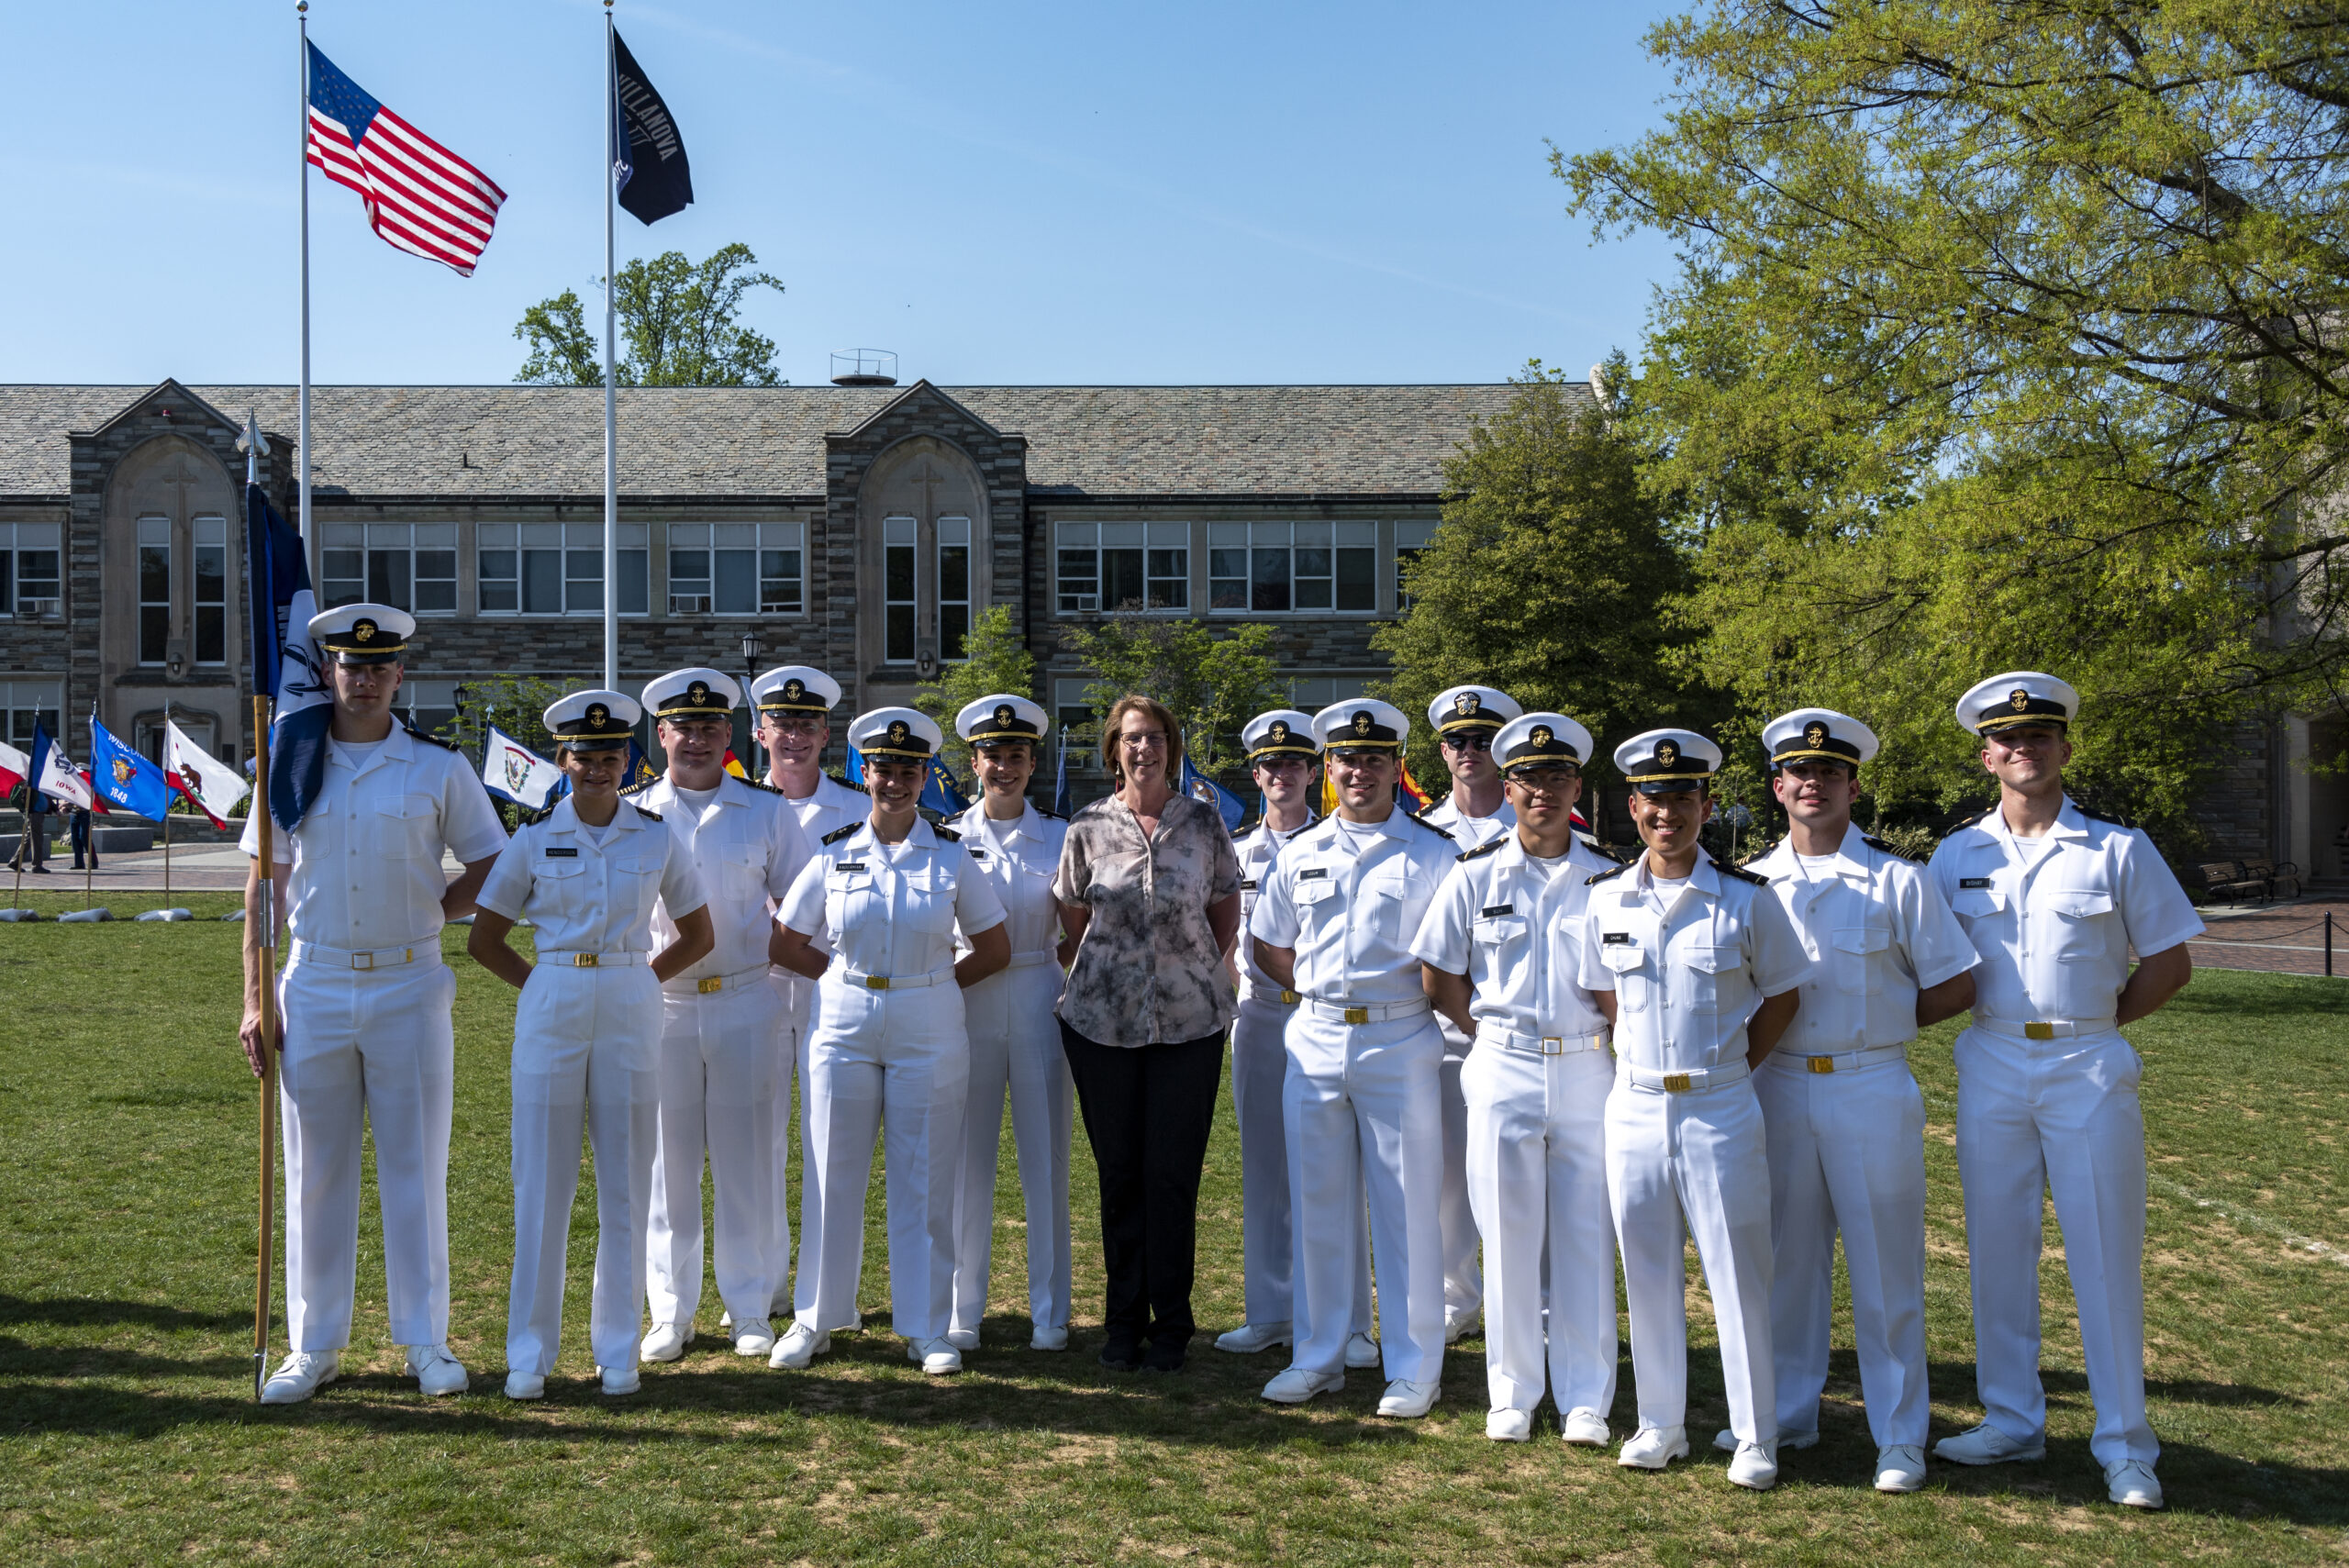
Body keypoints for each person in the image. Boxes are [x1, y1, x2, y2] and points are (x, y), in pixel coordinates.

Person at [1926, 673, 2201, 1510]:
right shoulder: (1955, 855)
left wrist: (2101, 1020)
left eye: (2039, 737)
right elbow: (1933, 962)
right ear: (1986, 757)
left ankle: (2124, 1443)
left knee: (2104, 1254)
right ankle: (2011, 1418)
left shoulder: (2118, 848)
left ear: (2063, 749)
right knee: (1998, 1249)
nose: (2024, 749)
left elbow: (2170, 960)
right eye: (2008, 740)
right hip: (1993, 1063)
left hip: (2087, 1066)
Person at [239, 603, 507, 1405]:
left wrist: (433, 907)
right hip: (315, 981)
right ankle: (311, 1344)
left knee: (415, 1164)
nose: (363, 679)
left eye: (379, 667)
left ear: (399, 675)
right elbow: (264, 886)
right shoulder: (289, 760)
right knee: (313, 1172)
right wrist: (257, 998)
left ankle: (425, 1339)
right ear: (328, 673)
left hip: (408, 981)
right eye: (350, 667)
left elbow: (493, 860)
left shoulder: (437, 766)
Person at [1727, 709, 1977, 1493]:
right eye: (1799, 773)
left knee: (1886, 1265)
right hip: (1779, 1080)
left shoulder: (1900, 879)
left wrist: (1888, 1028)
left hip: (1871, 1083)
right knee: (1785, 1264)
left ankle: (1900, 1434)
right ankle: (1791, 1413)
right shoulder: (1748, 883)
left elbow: (1955, 982)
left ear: (1853, 785)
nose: (1813, 784)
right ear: (1777, 788)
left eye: (1829, 773)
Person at [1577, 728, 1809, 1488]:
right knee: (1644, 1269)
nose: (1666, 812)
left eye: (1682, 797)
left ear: (1706, 804)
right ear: (1632, 806)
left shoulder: (1746, 899)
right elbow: (1603, 992)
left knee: (1738, 1274)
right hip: (1636, 1105)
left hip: (1718, 1107)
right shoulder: (1605, 897)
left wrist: (1736, 1064)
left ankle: (1754, 1435)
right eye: (1652, 799)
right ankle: (1660, 1422)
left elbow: (1783, 994)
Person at [472, 690, 712, 1398]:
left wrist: (640, 980)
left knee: (628, 1179)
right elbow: (486, 938)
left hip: (631, 997)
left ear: (627, 758)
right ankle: (529, 1353)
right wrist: (544, 987)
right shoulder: (532, 837)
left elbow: (699, 933)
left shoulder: (655, 836)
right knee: (540, 1182)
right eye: (584, 755)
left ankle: (617, 1349)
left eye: (610, 755)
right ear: (562, 759)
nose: (597, 768)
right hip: (553, 996)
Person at [767, 707, 1010, 1376]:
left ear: (926, 775)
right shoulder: (835, 850)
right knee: (828, 1171)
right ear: (864, 773)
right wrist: (844, 979)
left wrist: (933, 986)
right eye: (883, 769)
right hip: (843, 1020)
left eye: (908, 770)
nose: (895, 781)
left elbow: (994, 946)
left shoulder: (953, 855)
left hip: (928, 1020)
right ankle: (815, 1318)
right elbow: (785, 940)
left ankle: (927, 1327)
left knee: (925, 1175)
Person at [1414, 712, 1620, 1445]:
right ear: (1509, 787)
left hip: (1587, 1063)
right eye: (1529, 779)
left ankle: (1587, 1396)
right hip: (1500, 1061)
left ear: (1576, 786)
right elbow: (1438, 971)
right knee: (1504, 1232)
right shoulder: (1472, 874)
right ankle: (1512, 1391)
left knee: (1585, 1230)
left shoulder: (1609, 876)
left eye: (1557, 776)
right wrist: (1487, 1033)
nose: (1542, 790)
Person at [1250, 699, 1456, 1418]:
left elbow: (1454, 957)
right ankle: (1320, 1356)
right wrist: (1310, 990)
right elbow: (1267, 942)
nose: (1358, 770)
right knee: (1318, 1203)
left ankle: (1413, 1365)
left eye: (1374, 758)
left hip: (1400, 1037)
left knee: (1405, 1209)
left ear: (1397, 766)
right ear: (1327, 769)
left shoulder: (1435, 854)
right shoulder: (1301, 852)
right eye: (1346, 759)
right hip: (1316, 1035)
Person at [1053, 694, 1243, 1373]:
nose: (1145, 749)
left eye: (1157, 736)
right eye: (1133, 738)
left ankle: (1172, 1325)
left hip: (1190, 1025)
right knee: (1121, 1175)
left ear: (1172, 745)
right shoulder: (1085, 828)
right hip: (1102, 1027)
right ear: (1114, 749)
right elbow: (1076, 923)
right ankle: (1122, 1319)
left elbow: (1225, 911)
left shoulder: (1203, 824)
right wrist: (1123, 970)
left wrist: (1183, 968)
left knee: (1173, 1175)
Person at [630, 668, 812, 1366]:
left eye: (712, 728)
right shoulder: (637, 812)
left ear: (731, 734)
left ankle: (747, 1309)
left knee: (744, 1164)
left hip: (744, 998)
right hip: (664, 1006)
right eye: (685, 727)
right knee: (666, 1169)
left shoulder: (765, 812)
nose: (699, 739)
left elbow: (802, 903)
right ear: (662, 733)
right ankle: (669, 1314)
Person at [1214, 709, 1375, 1370]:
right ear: (1256, 774)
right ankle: (1270, 1311)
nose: (1282, 774)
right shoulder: (1235, 848)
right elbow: (1222, 929)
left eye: (1295, 764)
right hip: (1259, 1017)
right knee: (1265, 1170)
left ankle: (1357, 1324)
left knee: (1344, 1171)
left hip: (1325, 1019)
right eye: (1270, 765)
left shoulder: (1337, 842)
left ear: (1315, 773)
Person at [941, 693, 1076, 1352]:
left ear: (1031, 761)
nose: (1004, 766)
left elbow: (1077, 929)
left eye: (1016, 754)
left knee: (1045, 1156)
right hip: (966, 997)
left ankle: (1051, 1311)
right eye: (992, 754)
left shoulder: (1058, 836)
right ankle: (962, 1306)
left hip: (1036, 992)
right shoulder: (946, 838)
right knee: (966, 1156)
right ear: (973, 761)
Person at [748, 665, 867, 1331]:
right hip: (757, 995)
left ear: (826, 732)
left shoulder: (856, 808)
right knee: (760, 1143)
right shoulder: (737, 803)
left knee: (832, 1143)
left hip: (832, 995)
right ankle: (764, 1291)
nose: (793, 736)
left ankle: (830, 1293)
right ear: (760, 730)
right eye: (781, 724)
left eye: (806, 724)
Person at [11, 787, 52, 873]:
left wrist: (55, 809)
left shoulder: (41, 785)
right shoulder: (30, 784)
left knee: (29, 840)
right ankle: (37, 866)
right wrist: (28, 812)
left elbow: (46, 797)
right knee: (37, 841)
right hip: (34, 815)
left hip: (38, 814)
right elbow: (25, 799)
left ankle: (15, 862)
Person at [69, 802, 99, 871]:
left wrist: (65, 804)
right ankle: (79, 864)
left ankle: (94, 862)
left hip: (85, 813)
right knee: (75, 839)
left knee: (84, 837)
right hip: (74, 813)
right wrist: (66, 807)